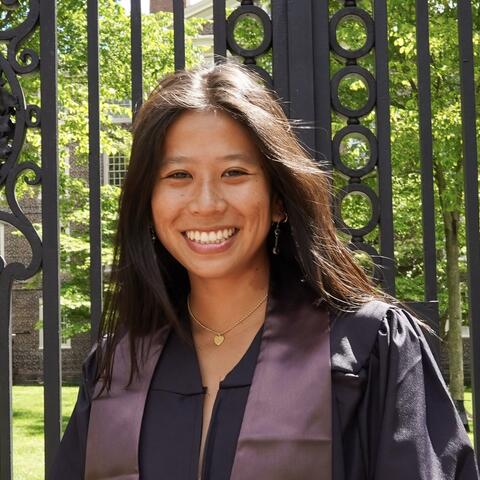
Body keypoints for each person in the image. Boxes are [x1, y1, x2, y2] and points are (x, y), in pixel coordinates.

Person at [51, 61, 479, 480]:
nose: (206, 203)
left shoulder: (366, 346)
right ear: (148, 202)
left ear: (278, 198)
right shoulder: (118, 367)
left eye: (234, 173)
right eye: (178, 175)